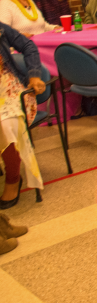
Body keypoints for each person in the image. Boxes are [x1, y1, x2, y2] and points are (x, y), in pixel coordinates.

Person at [0, 19, 46, 208]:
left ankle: (13, 178)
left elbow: (28, 46)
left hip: (9, 87)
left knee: (4, 122)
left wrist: (34, 75)